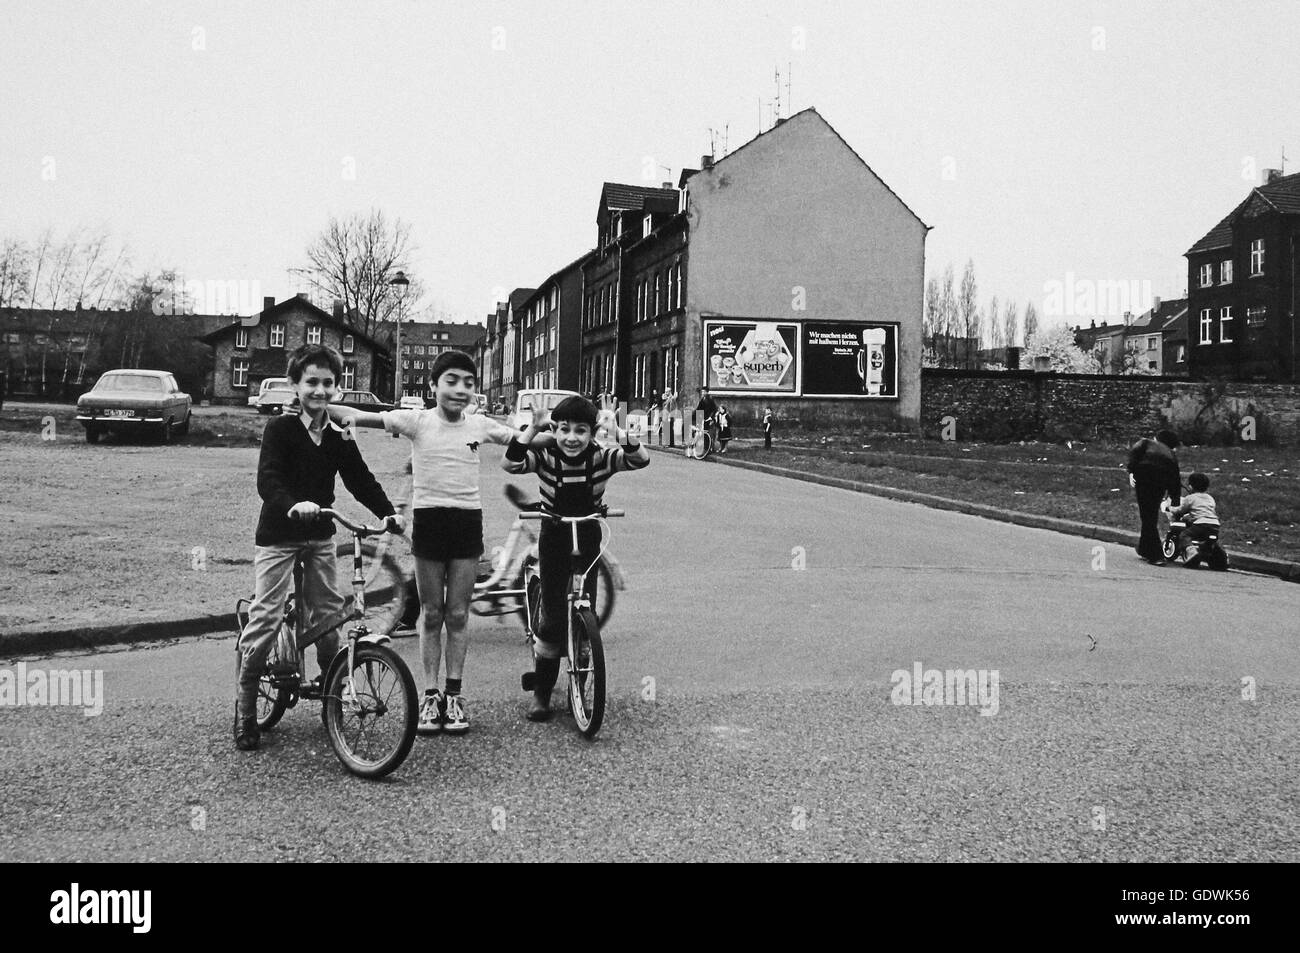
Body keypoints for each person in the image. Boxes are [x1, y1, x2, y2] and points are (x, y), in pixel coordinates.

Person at [329, 350, 514, 735]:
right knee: (431, 613)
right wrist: (316, 404)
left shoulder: (479, 425)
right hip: (429, 525)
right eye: (451, 380)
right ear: (433, 386)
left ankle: (454, 694)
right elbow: (362, 416)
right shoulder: (417, 421)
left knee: (459, 614)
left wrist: (561, 431)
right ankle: (430, 696)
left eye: (468, 382)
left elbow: (522, 439)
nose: (460, 389)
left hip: (466, 525)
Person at [235, 344, 404, 752]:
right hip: (279, 534)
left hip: (320, 535)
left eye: (329, 382)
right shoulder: (280, 429)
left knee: (330, 611)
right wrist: (292, 504)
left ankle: (332, 697)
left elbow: (359, 478)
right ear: (295, 385)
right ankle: (244, 709)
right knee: (268, 615)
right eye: (311, 382)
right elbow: (268, 479)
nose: (321, 390)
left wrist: (388, 513)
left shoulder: (338, 434)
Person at [501, 396, 649, 721]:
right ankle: (541, 693)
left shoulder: (600, 457)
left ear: (592, 433)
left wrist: (619, 430)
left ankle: (580, 680)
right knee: (553, 617)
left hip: (587, 532)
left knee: (588, 610)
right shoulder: (546, 456)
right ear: (554, 429)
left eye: (581, 431)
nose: (571, 438)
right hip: (553, 533)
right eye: (564, 429)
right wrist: (532, 430)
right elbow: (510, 463)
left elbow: (640, 460)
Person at [1126, 428, 1181, 564]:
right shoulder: (1170, 455)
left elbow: (1134, 454)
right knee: (1150, 515)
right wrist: (1175, 498)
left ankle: (1155, 555)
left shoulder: (1145, 443)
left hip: (1144, 481)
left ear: (1157, 438)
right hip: (1159, 486)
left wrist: (1131, 471)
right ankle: (1144, 548)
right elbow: (1175, 477)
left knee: (1147, 517)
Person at [1168, 472, 1227, 570]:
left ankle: (1191, 552)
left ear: (1190, 487)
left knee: (1184, 535)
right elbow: (1205, 511)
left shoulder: (1190, 498)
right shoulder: (1210, 498)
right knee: (1211, 541)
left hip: (1201, 524)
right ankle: (1221, 558)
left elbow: (1180, 511)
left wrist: (1171, 509)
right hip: (1214, 524)